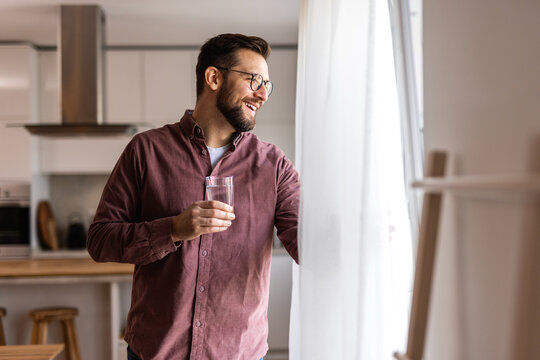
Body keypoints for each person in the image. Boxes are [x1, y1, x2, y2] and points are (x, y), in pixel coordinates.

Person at [87, 33, 300, 360]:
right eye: (254, 80)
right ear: (214, 77)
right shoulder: (147, 151)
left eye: (266, 85)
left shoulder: (274, 165)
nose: (262, 94)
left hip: (238, 353)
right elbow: (100, 241)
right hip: (155, 352)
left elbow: (306, 242)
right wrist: (172, 229)